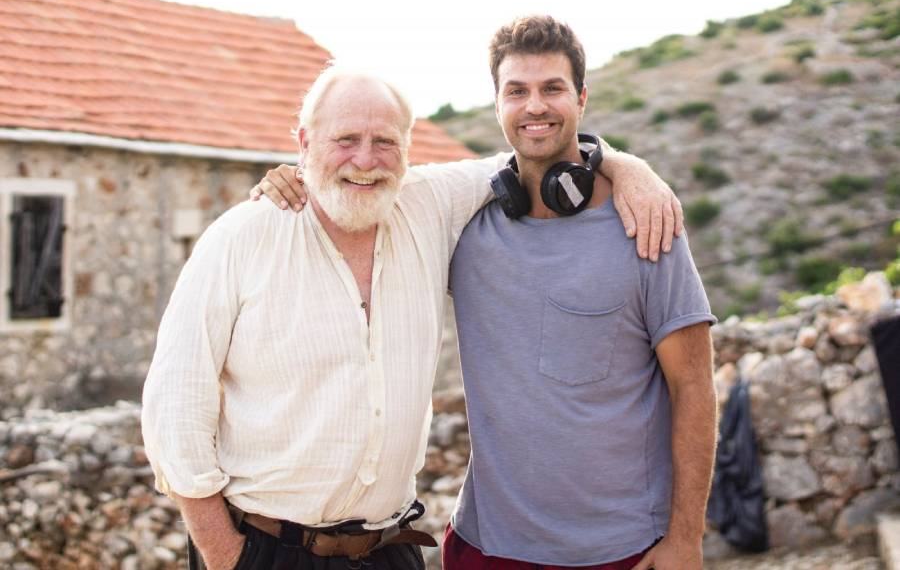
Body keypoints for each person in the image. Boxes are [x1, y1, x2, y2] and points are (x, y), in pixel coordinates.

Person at [143, 63, 680, 570]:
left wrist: (627, 167)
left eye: (384, 142)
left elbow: (532, 148)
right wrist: (227, 557)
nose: (365, 159)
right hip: (266, 547)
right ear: (304, 144)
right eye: (345, 140)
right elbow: (175, 408)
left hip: (390, 547)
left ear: (407, 149)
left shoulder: (429, 205)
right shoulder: (241, 238)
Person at [261, 16, 717, 570]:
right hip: (485, 547)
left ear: (582, 97)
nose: (535, 106)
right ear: (497, 103)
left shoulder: (646, 223)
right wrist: (295, 178)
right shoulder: (465, 228)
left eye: (553, 88)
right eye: (517, 91)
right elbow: (358, 189)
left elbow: (693, 388)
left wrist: (685, 538)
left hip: (622, 548)